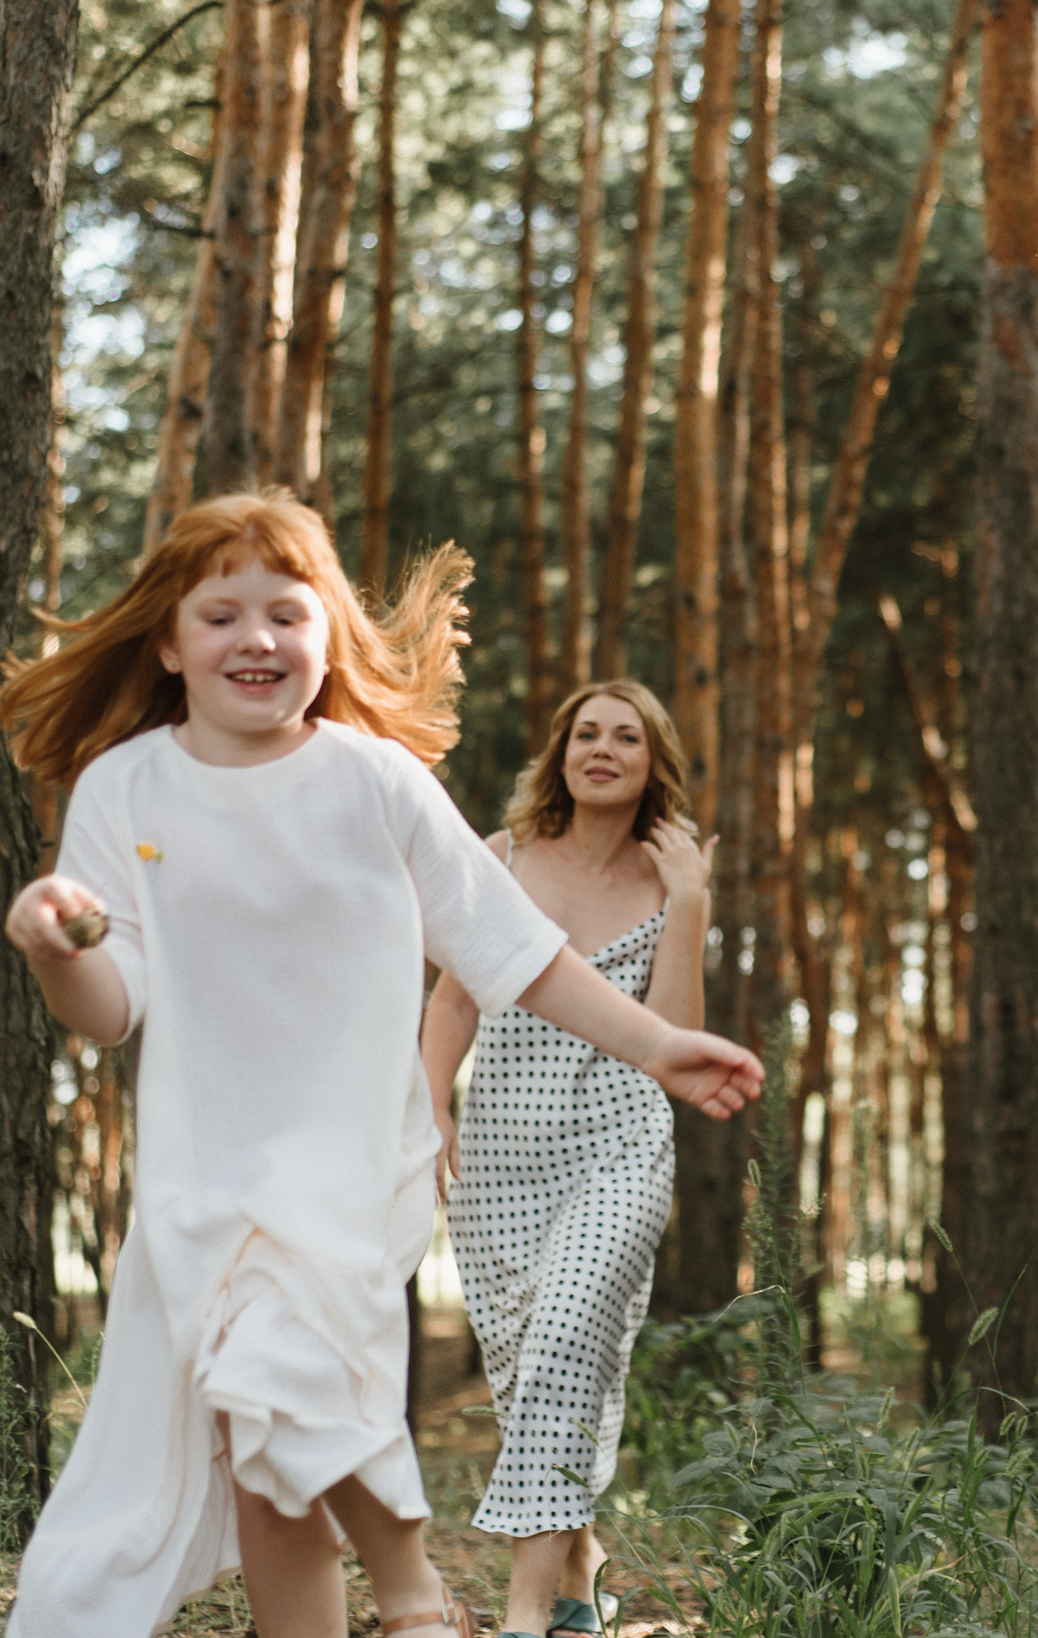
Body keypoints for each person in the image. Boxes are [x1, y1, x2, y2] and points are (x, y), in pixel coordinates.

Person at [0, 495, 761, 1638]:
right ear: (168, 640)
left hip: (352, 1157)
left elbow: (509, 949)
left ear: (328, 637)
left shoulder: (376, 778)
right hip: (202, 1171)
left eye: (286, 613)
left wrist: (656, 1042)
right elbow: (112, 1008)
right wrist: (51, 943)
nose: (256, 637)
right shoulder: (127, 787)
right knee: (263, 1451)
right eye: (222, 614)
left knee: (273, 1365)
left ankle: (410, 1596)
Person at [422, 681, 709, 1638]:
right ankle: (582, 1573)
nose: (603, 747)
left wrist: (693, 901)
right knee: (538, 1377)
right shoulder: (500, 859)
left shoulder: (670, 875)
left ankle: (523, 1618)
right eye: (586, 731)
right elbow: (455, 1003)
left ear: (650, 761)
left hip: (618, 1148)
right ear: (560, 751)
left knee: (563, 1344)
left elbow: (674, 1037)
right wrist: (429, 1109)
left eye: (626, 736)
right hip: (501, 1157)